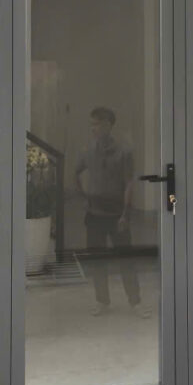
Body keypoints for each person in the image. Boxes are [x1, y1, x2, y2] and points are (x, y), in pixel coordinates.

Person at [75, 106, 150, 317]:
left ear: (108, 125)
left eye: (97, 124)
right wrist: (83, 197)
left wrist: (125, 214)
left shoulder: (124, 152)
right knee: (98, 261)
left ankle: (135, 302)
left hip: (117, 215)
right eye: (91, 124)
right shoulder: (88, 150)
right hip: (94, 214)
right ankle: (102, 301)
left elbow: (129, 184)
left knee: (126, 259)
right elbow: (76, 172)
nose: (93, 128)